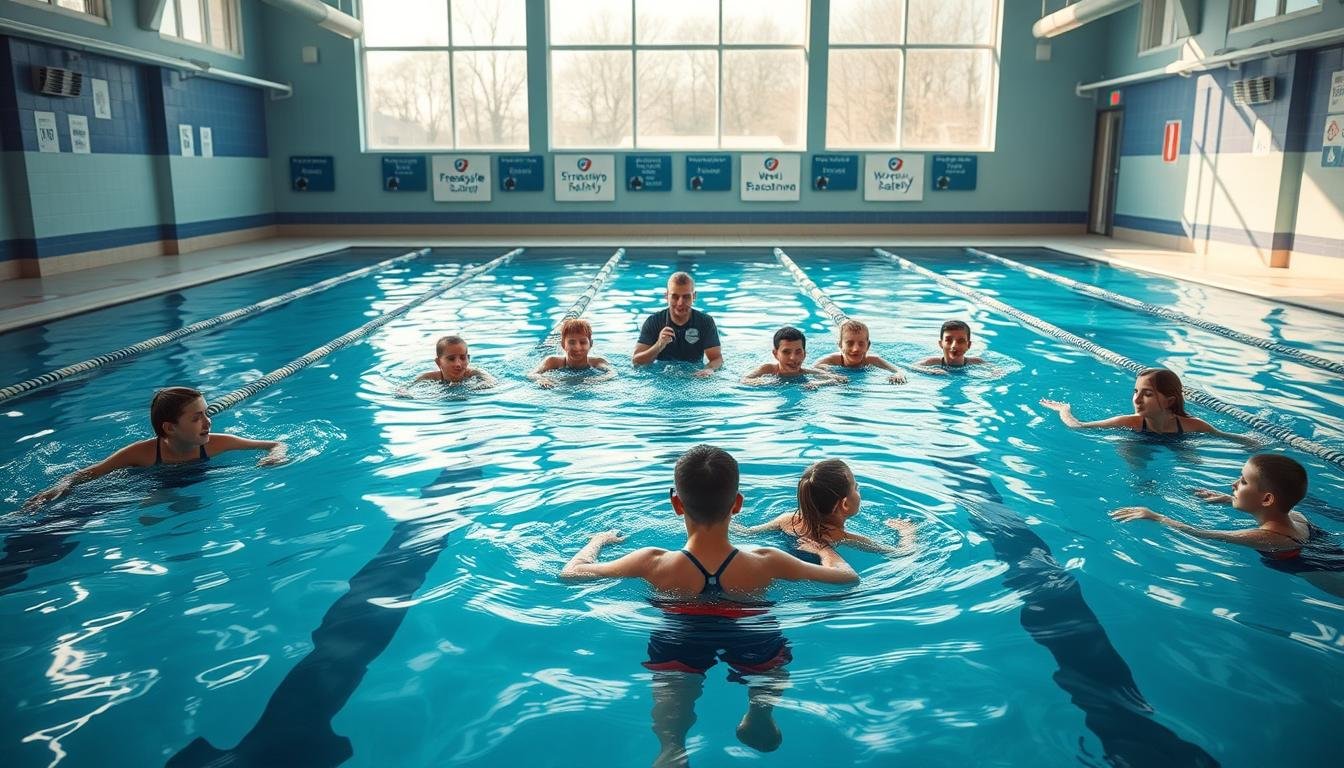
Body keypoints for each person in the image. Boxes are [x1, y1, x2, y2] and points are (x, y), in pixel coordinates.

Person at [560, 445, 857, 766]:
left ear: (676, 503)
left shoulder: (653, 562)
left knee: (671, 684)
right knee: (771, 665)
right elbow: (846, 578)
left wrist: (597, 541)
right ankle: (760, 711)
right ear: (738, 504)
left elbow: (571, 573)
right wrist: (825, 551)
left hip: (681, 631)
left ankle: (671, 746)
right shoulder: (765, 562)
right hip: (750, 629)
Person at [1111, 454, 1343, 597]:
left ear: (1267, 499)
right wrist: (1226, 499)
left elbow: (1201, 534)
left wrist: (1156, 516)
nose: (1232, 484)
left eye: (1242, 481)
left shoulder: (1268, 537)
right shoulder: (1297, 516)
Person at [24, 387, 287, 509]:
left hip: (178, 486)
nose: (208, 422)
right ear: (170, 428)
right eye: (196, 418)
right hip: (146, 482)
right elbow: (89, 473)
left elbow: (275, 443)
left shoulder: (219, 443)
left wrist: (276, 456)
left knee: (165, 509)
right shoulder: (142, 452)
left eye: (207, 414)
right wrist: (61, 485)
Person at [740, 459, 917, 554]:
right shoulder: (844, 538)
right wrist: (907, 533)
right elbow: (901, 553)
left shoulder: (787, 520)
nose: (859, 489)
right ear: (845, 504)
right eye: (855, 487)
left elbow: (745, 533)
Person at [1040, 368, 1256, 444]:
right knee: (1133, 455)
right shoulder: (1130, 422)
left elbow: (1229, 437)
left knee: (1191, 461)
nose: (1137, 399)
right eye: (1136, 392)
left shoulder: (1193, 426)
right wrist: (1064, 410)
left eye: (1147, 394)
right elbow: (1079, 426)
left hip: (1178, 440)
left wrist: (1253, 441)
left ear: (1169, 401)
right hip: (1139, 440)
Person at [633, 272, 723, 377]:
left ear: (694, 296)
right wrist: (659, 345)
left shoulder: (705, 322)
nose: (680, 303)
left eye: (686, 297)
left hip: (693, 377)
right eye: (675, 297)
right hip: (661, 377)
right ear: (666, 296)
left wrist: (709, 369)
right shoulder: (654, 322)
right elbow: (636, 362)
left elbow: (717, 358)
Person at [742, 327, 846, 387]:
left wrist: (818, 383)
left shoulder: (809, 373)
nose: (793, 358)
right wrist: (766, 382)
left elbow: (840, 379)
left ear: (804, 354)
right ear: (775, 354)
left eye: (798, 352)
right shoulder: (768, 369)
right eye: (786, 352)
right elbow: (745, 380)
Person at [530, 318, 615, 388]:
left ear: (591, 344)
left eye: (582, 342)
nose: (577, 348)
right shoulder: (552, 361)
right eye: (571, 342)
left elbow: (612, 373)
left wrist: (597, 380)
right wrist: (543, 379)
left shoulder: (598, 362)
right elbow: (533, 374)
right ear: (563, 344)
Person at [814, 320, 906, 384]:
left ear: (868, 346)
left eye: (861, 344)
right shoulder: (832, 360)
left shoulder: (872, 360)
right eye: (850, 343)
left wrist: (898, 375)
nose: (856, 349)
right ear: (840, 345)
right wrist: (831, 376)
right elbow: (815, 370)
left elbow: (899, 370)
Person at [411, 335, 496, 387]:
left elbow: (490, 381)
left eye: (463, 358)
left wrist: (484, 385)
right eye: (451, 359)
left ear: (468, 359)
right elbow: (408, 386)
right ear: (438, 362)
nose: (458, 364)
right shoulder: (431, 377)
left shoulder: (473, 373)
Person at [913, 320, 986, 373]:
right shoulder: (933, 362)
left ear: (969, 345)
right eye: (949, 340)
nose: (954, 346)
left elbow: (995, 371)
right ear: (941, 344)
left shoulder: (976, 362)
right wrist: (931, 371)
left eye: (960, 341)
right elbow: (914, 367)